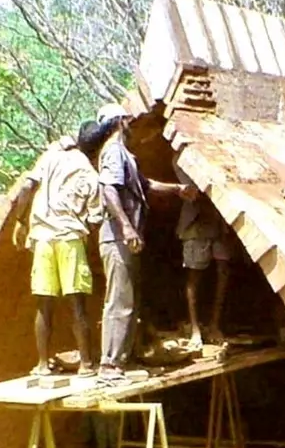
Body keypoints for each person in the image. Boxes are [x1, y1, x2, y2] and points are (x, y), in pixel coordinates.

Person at [93, 107, 184, 377]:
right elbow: (108, 188)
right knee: (119, 299)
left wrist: (179, 190)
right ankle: (109, 364)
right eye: (128, 121)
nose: (132, 126)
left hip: (125, 237)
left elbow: (148, 186)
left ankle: (124, 358)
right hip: (117, 237)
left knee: (129, 299)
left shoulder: (126, 156)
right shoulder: (113, 152)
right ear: (120, 123)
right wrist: (127, 227)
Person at [20, 123, 103, 377]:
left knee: (44, 303)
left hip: (42, 237)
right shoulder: (89, 172)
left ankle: (42, 365)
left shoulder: (51, 155)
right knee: (77, 303)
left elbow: (26, 188)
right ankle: (86, 364)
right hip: (69, 237)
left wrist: (20, 221)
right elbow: (96, 218)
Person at [176, 171, 233, 348]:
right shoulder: (182, 159)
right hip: (196, 225)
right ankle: (195, 328)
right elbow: (192, 192)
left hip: (219, 221)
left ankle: (214, 325)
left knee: (223, 272)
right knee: (195, 275)